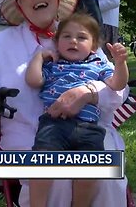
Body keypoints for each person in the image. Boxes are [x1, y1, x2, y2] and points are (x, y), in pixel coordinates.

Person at [0, 0, 128, 207]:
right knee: (55, 178)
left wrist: (88, 92)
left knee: (107, 174)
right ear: (20, 4)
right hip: (28, 135)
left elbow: (118, 89)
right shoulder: (2, 44)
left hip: (88, 129)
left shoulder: (79, 35)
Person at [26, 13, 128, 207]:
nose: (73, 41)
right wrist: (39, 57)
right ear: (56, 42)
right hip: (54, 124)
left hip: (88, 127)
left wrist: (120, 63)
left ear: (93, 46)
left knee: (91, 170)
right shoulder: (53, 65)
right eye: (67, 36)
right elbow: (33, 80)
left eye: (81, 37)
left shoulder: (98, 66)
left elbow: (117, 84)